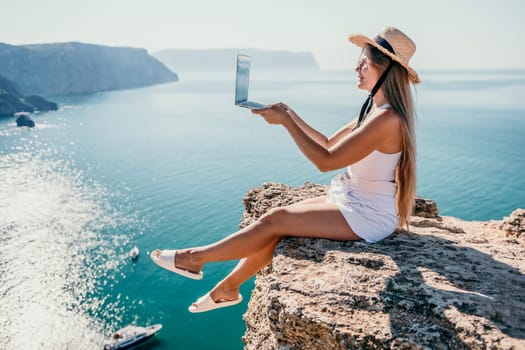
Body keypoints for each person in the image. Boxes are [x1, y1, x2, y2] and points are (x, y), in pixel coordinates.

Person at [151, 27, 419, 313]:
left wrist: (286, 123)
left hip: (368, 215)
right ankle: (228, 288)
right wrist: (289, 113)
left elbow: (326, 160)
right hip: (353, 198)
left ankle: (195, 258)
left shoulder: (388, 119)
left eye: (363, 62)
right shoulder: (374, 112)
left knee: (277, 219)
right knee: (276, 223)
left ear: (384, 68)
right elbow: (328, 142)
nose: (356, 68)